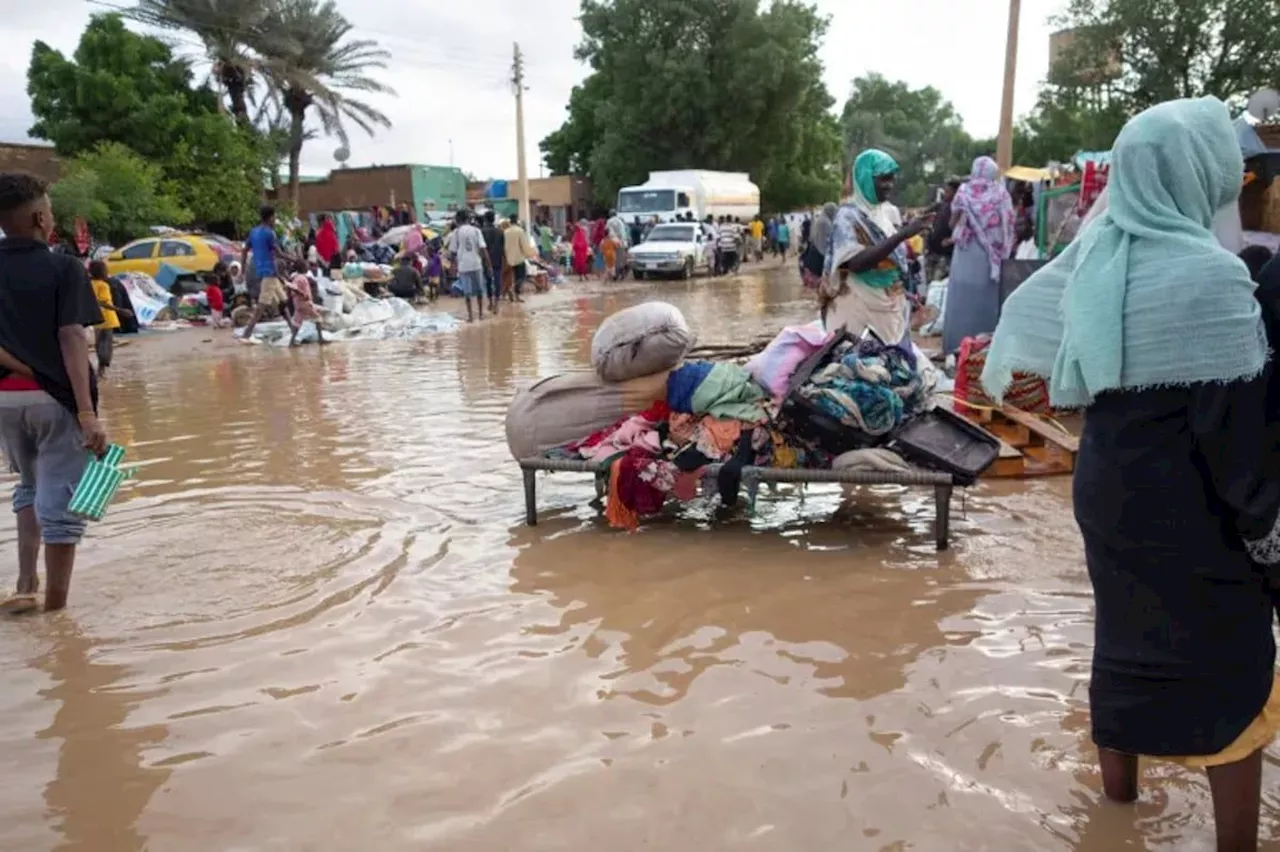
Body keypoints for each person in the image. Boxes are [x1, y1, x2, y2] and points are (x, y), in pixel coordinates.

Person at [983, 96, 1280, 852]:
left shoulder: (1095, 254)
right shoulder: (1211, 278)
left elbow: (1015, 357)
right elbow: (1231, 435)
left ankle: (1116, 812)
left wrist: (1077, 409)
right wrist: (1267, 532)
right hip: (1193, 501)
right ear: (1199, 172)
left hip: (1108, 492)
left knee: (1123, 643)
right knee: (1232, 665)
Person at [0, 171, 107, 614]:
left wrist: (21, 367)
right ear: (41, 217)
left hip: (5, 402)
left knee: (29, 485)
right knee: (60, 505)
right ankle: (55, 615)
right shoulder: (64, 266)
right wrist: (86, 412)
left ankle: (25, 584)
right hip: (55, 401)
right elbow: (72, 339)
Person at [821, 149, 932, 343]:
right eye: (883, 179)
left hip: (888, 306)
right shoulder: (847, 217)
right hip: (857, 308)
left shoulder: (885, 215)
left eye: (892, 179)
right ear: (864, 178)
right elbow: (856, 263)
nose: (890, 185)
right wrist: (902, 235)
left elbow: (891, 258)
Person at [941, 156, 1016, 354]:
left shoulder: (963, 192)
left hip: (966, 253)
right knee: (986, 301)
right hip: (989, 259)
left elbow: (951, 224)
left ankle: (955, 348)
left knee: (961, 299)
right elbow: (1008, 225)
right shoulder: (1001, 194)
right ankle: (984, 349)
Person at [240, 205, 297, 343]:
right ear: (271, 217)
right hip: (269, 272)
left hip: (267, 272)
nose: (275, 220)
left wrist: (243, 269)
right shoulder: (270, 233)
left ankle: (293, 329)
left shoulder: (253, 232)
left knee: (283, 301)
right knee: (262, 306)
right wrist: (294, 259)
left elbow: (244, 250)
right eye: (274, 217)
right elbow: (278, 252)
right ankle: (247, 333)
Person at [445, 210, 490, 321]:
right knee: (480, 290)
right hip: (476, 264)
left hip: (463, 266)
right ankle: (480, 315)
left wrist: (451, 263)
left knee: (467, 292)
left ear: (458, 220)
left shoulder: (456, 232)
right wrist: (489, 265)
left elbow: (453, 251)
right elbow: (483, 249)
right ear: (468, 219)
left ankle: (470, 317)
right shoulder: (476, 230)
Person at [88, 260, 128, 378]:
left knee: (99, 345)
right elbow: (103, 302)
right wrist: (121, 310)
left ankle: (99, 372)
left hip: (95, 319)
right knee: (106, 346)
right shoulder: (103, 285)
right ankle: (101, 372)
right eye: (105, 270)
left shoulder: (89, 284)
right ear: (102, 272)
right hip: (107, 318)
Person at [925, 179, 961, 282]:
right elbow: (925, 213)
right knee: (930, 284)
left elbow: (964, 229)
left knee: (937, 284)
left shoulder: (959, 208)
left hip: (945, 254)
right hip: (931, 251)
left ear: (955, 192)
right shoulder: (941, 205)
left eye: (947, 191)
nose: (945, 194)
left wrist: (951, 239)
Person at [801, 203, 837, 288]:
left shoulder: (821, 220)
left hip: (814, 252)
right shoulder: (825, 222)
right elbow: (828, 240)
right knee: (820, 281)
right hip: (820, 254)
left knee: (817, 281)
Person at [285, 272, 326, 345]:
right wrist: (303, 294)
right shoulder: (301, 278)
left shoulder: (296, 278)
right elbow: (295, 288)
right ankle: (321, 339)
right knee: (318, 318)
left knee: (297, 323)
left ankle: (292, 341)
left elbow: (291, 287)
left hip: (297, 303)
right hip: (304, 302)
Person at [504, 215, 537, 300]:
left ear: (510, 222)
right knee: (521, 277)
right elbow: (524, 245)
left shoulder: (506, 231)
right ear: (517, 221)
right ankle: (515, 293)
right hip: (519, 258)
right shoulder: (520, 231)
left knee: (511, 277)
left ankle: (512, 292)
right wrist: (531, 253)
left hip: (508, 259)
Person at [481, 211, 504, 314]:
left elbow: (481, 248)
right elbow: (503, 247)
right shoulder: (500, 231)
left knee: (488, 282)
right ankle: (496, 304)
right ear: (494, 219)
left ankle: (490, 302)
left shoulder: (482, 231)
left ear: (485, 220)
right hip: (498, 259)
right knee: (497, 282)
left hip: (486, 261)